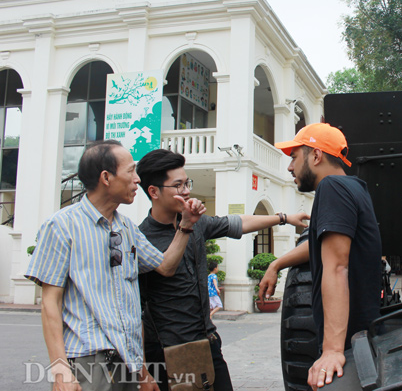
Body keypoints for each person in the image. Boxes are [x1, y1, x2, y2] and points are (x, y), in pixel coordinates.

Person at [25, 140, 206, 391]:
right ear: (106, 177)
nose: (138, 180)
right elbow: (50, 304)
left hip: (129, 363)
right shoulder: (62, 226)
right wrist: (61, 371)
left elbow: (164, 267)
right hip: (90, 361)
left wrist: (186, 224)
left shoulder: (127, 229)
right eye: (131, 171)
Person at [135, 148, 310, 391]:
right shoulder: (141, 238)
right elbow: (161, 273)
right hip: (169, 351)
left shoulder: (196, 223)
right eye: (178, 186)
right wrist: (143, 372)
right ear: (153, 191)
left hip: (207, 341)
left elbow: (236, 223)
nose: (186, 191)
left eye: (187, 183)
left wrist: (283, 218)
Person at [258, 123, 382, 390]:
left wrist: (332, 350)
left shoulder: (332, 187)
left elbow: (337, 266)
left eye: (294, 157)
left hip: (348, 346)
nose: (290, 167)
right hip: (360, 338)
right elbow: (322, 247)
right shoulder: (354, 187)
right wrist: (277, 264)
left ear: (316, 156)